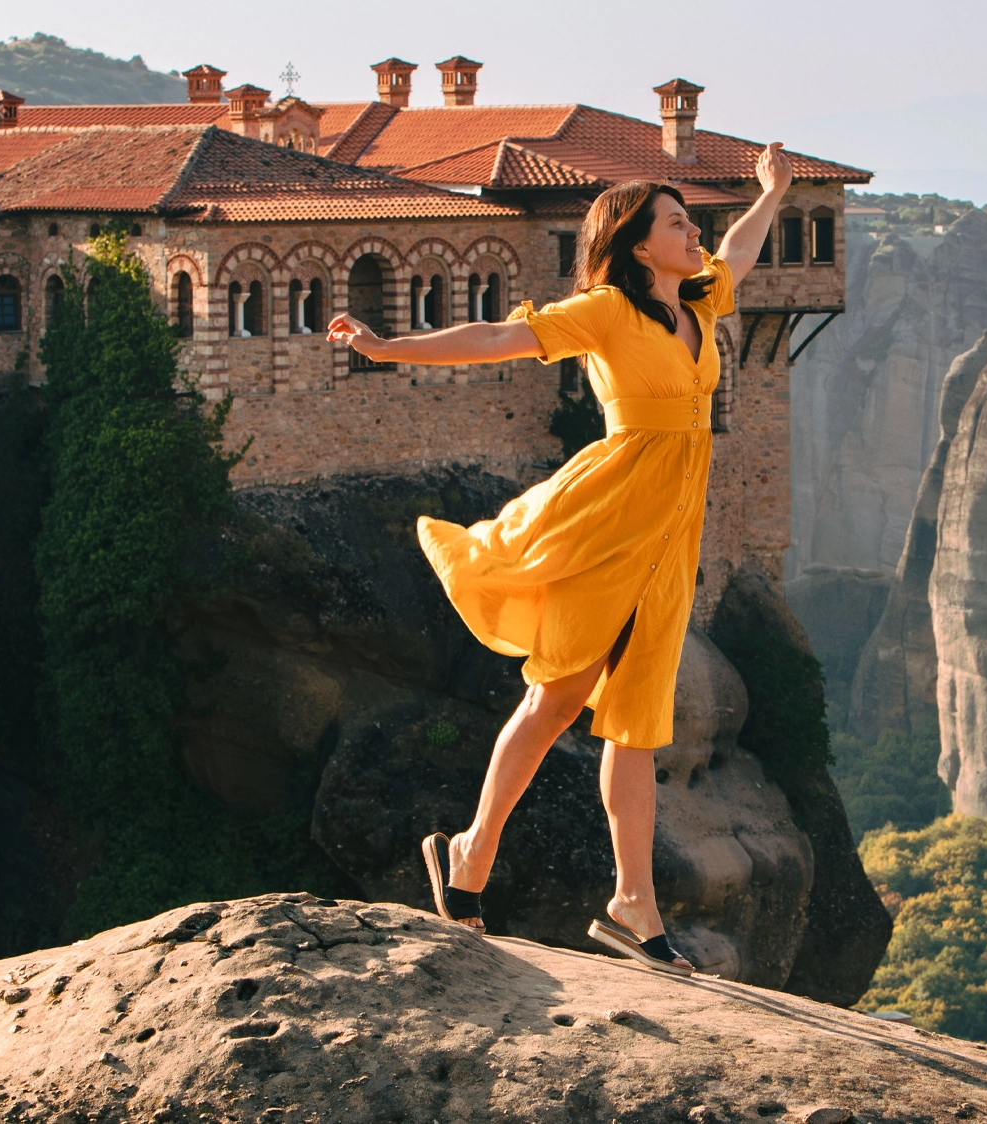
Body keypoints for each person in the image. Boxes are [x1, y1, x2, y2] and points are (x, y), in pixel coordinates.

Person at [326, 143, 798, 976]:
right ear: (637, 241)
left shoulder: (699, 300)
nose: (696, 234)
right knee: (557, 701)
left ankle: (630, 908)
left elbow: (742, 254)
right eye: (679, 224)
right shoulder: (605, 311)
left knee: (637, 725)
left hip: (672, 531)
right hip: (607, 517)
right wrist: (388, 348)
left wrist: (774, 194)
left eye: (693, 223)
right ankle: (470, 857)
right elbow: (500, 336)